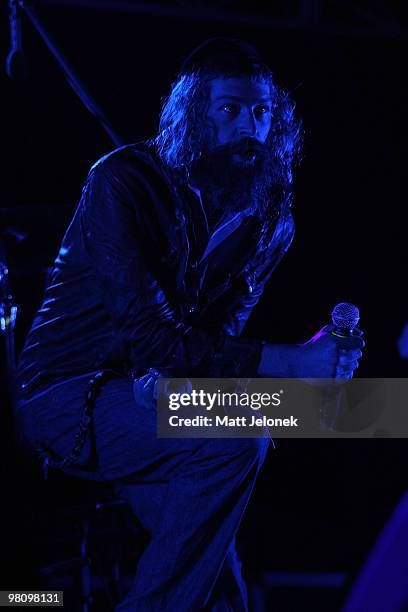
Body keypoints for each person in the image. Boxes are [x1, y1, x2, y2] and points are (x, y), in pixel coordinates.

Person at [15, 38, 364, 611]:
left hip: (159, 399)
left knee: (221, 591)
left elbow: (216, 341)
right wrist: (297, 364)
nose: (249, 126)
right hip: (66, 396)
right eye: (229, 110)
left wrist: (307, 363)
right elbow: (152, 336)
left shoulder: (270, 217)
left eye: (261, 112)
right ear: (194, 113)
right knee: (241, 435)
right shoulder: (122, 181)